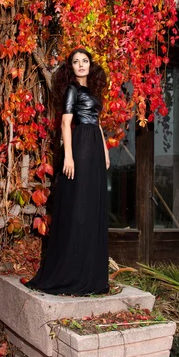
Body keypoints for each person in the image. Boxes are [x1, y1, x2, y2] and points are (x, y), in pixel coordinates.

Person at [26, 47, 110, 296]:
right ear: (70, 67)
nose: (81, 65)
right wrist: (69, 157)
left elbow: (98, 122)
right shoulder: (72, 90)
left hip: (94, 146)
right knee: (79, 206)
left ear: (90, 65)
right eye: (76, 61)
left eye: (85, 61)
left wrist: (105, 151)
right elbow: (65, 123)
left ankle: (91, 275)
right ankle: (72, 272)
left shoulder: (93, 92)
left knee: (93, 205)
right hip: (81, 144)